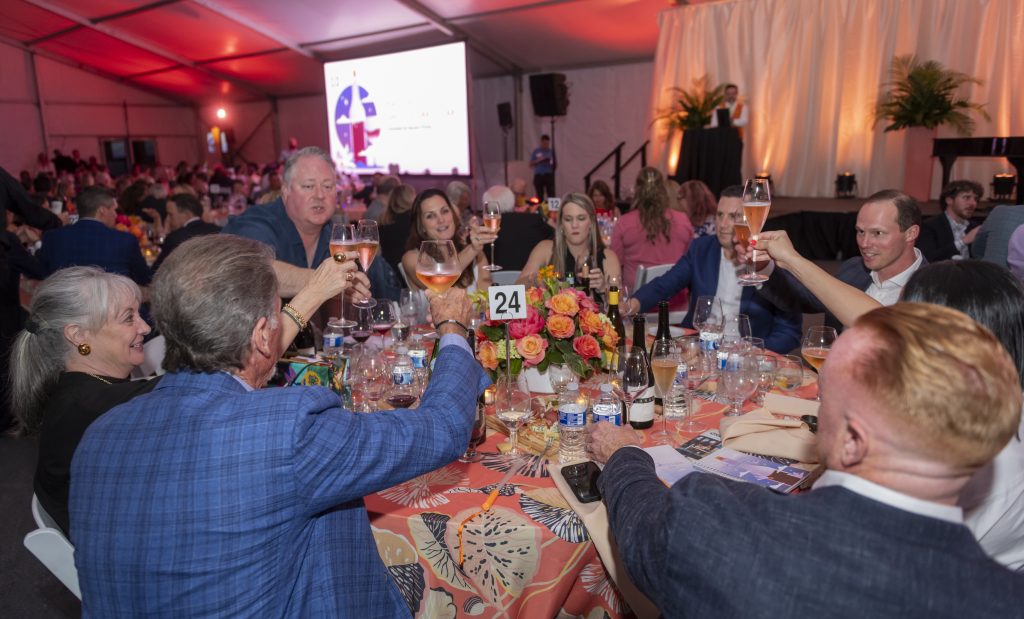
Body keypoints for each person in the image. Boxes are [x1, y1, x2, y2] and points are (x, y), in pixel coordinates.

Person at [69, 235, 488, 616]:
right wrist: (453, 330)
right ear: (262, 335)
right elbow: (441, 429)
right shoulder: (287, 430)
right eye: (276, 315)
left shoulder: (99, 435)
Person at [589, 303, 1024, 616]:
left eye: (824, 401)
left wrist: (625, 454)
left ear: (853, 440)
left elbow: (644, 529)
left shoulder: (722, 529)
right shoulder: (1006, 598)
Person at [624, 185, 800, 354]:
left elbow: (789, 331)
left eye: (733, 216)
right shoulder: (701, 249)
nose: (722, 224)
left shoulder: (770, 260)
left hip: (746, 357)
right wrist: (632, 304)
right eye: (720, 214)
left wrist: (755, 351)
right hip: (699, 348)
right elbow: (665, 285)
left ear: (751, 220)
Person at [754, 189, 924, 330]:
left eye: (877, 233)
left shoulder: (933, 287)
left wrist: (792, 259)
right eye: (860, 231)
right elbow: (802, 299)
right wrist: (763, 266)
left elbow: (884, 331)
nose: (864, 243)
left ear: (911, 233)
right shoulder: (854, 268)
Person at [223, 147, 371, 300]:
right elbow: (253, 269)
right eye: (308, 186)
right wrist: (330, 283)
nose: (320, 195)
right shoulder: (259, 223)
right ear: (286, 191)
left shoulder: (335, 237)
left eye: (328, 186)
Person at [36, 186, 153, 287]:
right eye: (114, 209)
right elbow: (144, 279)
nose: (116, 215)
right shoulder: (125, 240)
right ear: (102, 210)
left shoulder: (51, 237)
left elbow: (43, 275)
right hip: (112, 309)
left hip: (67, 309)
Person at [611, 167, 694, 302]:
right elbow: (691, 261)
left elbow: (614, 265)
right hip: (676, 299)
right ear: (663, 190)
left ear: (637, 190)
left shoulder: (624, 223)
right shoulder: (683, 220)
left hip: (636, 301)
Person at [517, 192, 622, 296]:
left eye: (581, 218)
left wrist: (604, 288)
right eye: (568, 219)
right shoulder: (545, 249)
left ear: (591, 222)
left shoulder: (608, 257)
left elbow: (621, 305)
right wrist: (535, 279)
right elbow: (517, 288)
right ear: (561, 224)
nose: (574, 225)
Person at [402, 189, 494, 293]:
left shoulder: (473, 251)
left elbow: (486, 296)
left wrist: (475, 248)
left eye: (445, 211)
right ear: (422, 226)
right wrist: (472, 249)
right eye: (430, 216)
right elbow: (438, 283)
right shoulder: (412, 258)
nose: (441, 220)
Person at [485, 184, 553, 271]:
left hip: (492, 281)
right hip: (528, 279)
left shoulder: (482, 230)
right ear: (512, 200)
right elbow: (555, 237)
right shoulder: (532, 220)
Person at [152, 193, 221, 271]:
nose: (167, 219)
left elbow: (155, 272)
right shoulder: (219, 230)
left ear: (187, 214)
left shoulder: (175, 238)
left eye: (171, 215)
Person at [917, 180, 982, 262]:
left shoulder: (975, 227)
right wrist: (963, 241)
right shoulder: (930, 226)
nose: (973, 203)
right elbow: (927, 258)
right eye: (966, 197)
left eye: (976, 199)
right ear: (949, 200)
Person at [378, 184, 416, 274]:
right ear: (410, 198)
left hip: (388, 272)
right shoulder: (414, 219)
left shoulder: (384, 220)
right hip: (410, 273)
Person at [529, 134, 555, 200]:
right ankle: (540, 209)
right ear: (541, 142)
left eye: (547, 143)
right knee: (539, 194)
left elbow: (554, 164)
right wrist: (538, 160)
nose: (546, 145)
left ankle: (552, 209)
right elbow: (530, 164)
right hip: (539, 175)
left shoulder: (551, 151)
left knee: (551, 193)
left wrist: (550, 162)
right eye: (545, 143)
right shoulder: (536, 151)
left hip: (548, 175)